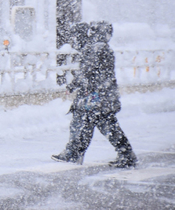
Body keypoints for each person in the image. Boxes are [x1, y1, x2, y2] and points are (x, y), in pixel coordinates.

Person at [52, 21, 137, 168]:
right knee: (101, 125)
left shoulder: (96, 48)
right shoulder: (102, 48)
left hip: (96, 96)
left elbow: (87, 71)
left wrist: (73, 86)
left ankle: (74, 153)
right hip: (103, 95)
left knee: (91, 123)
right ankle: (125, 154)